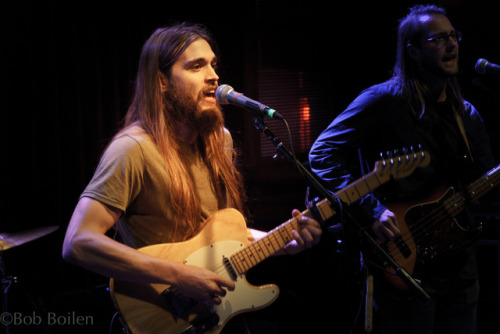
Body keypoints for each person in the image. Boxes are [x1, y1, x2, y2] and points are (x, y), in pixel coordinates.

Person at [62, 22, 321, 333]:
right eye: (197, 66)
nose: (213, 75)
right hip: (166, 315)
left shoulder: (219, 142)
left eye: (213, 64)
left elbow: (222, 235)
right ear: (162, 81)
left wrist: (281, 241)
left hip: (217, 314)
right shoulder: (133, 150)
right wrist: (179, 275)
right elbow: (78, 242)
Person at [309, 4, 496, 334]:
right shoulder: (382, 101)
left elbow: (482, 182)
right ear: (412, 50)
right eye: (438, 38)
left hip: (460, 268)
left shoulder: (467, 115)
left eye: (454, 36)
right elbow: (323, 153)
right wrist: (373, 211)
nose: (452, 44)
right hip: (403, 265)